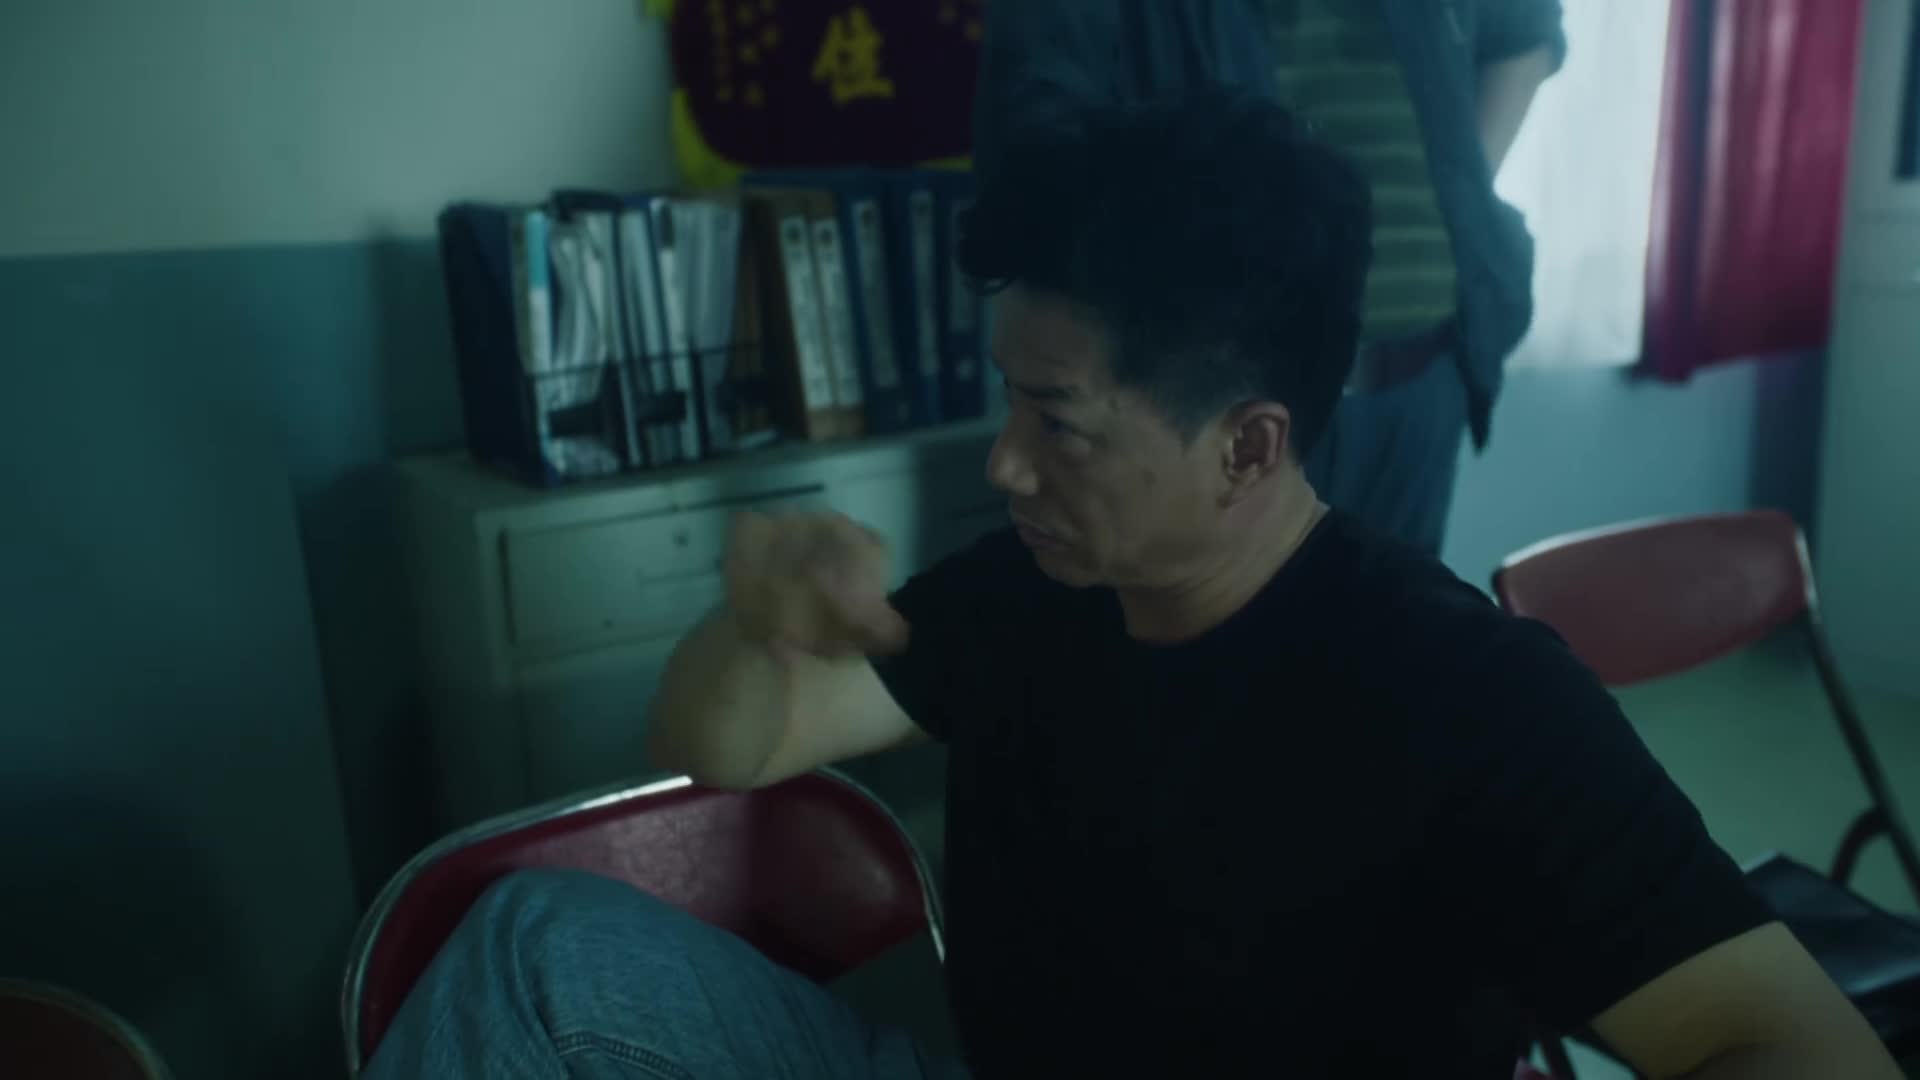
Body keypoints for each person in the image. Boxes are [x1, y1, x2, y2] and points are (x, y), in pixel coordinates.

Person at [365, 93, 1899, 1077]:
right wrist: (756, 621)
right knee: (533, 949)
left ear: (1249, 447)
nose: (1007, 465)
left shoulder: (1469, 698)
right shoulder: (1033, 593)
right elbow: (722, 743)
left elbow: (1795, 1047)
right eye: (1008, 401)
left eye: (1061, 423)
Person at [972, 0, 1564, 557]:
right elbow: (1036, 137)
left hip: (1422, 374)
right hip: (1212, 390)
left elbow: (1523, 29)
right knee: (1188, 618)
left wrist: (1462, 194)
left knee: (1395, 622)